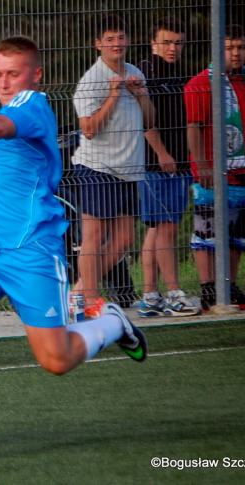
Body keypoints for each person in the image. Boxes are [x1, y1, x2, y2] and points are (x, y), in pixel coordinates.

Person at [0, 36, 147, 450]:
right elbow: (7, 149)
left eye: (13, 74)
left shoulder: (31, 104)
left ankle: (112, 324)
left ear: (35, 75)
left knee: (56, 360)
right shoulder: (9, 114)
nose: (4, 82)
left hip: (30, 251)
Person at [70, 15, 164, 318]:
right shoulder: (91, 80)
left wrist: (140, 94)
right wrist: (112, 96)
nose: (117, 44)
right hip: (97, 167)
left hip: (129, 168)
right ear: (98, 44)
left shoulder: (135, 73)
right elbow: (88, 129)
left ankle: (80, 290)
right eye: (109, 39)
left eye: (121, 37)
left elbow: (150, 121)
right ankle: (91, 298)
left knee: (124, 239)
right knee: (94, 237)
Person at [184, 24, 245, 311]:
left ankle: (230, 287)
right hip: (215, 173)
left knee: (241, 233)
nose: (236, 53)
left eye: (240, 47)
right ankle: (209, 289)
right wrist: (202, 166)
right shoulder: (200, 83)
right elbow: (193, 127)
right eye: (229, 47)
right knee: (207, 233)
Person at [137, 18, 200, 317]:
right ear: (153, 44)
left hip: (178, 163)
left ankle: (150, 295)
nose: (172, 48)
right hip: (155, 163)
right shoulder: (144, 73)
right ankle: (174, 293)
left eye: (178, 43)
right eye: (166, 42)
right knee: (167, 228)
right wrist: (162, 153)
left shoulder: (180, 74)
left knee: (157, 229)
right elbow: (145, 121)